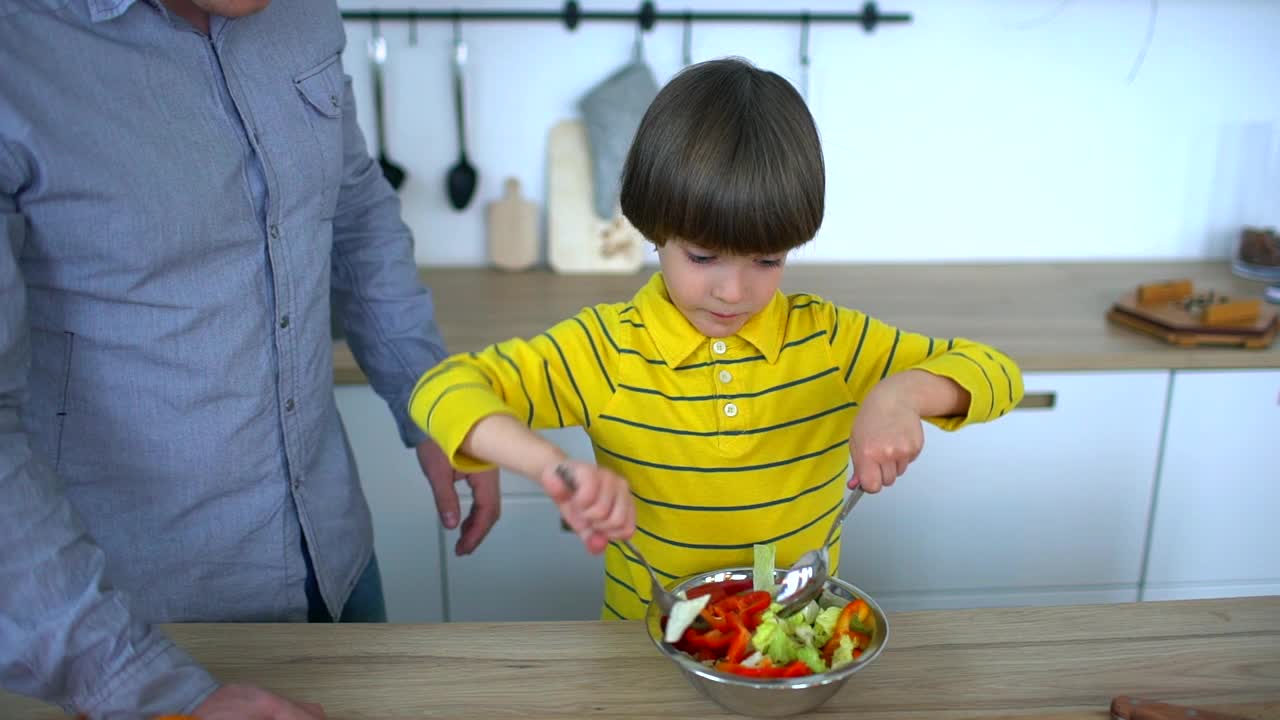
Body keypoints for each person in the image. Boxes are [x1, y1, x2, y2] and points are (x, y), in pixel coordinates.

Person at [0, 1, 499, 717]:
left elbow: (353, 207)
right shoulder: (19, 48)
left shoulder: (299, 14)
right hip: (137, 629)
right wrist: (134, 685)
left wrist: (426, 395)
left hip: (334, 561)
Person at [408, 57, 1025, 621]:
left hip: (797, 644)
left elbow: (998, 373)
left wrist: (902, 394)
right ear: (654, 230)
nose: (734, 291)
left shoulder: (832, 341)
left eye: (766, 260)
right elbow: (442, 388)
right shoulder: (607, 350)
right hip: (644, 649)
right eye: (703, 257)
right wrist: (552, 468)